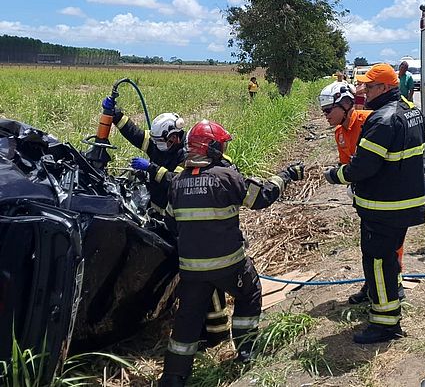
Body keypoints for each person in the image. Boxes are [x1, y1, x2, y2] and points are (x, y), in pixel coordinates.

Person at [159, 119, 305, 386]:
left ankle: (173, 377)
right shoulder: (227, 178)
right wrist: (285, 175)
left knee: (188, 319)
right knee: (249, 294)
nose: (225, 150)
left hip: (191, 271)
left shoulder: (177, 184)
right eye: (222, 146)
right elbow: (262, 197)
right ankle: (247, 351)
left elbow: (170, 223)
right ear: (212, 148)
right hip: (230, 266)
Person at [101, 97, 233, 349]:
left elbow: (181, 182)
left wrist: (152, 170)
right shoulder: (159, 146)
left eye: (163, 142)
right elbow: (137, 135)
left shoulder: (188, 156)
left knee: (194, 274)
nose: (157, 146)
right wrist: (116, 115)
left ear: (174, 137)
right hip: (159, 216)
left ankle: (215, 334)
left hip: (183, 222)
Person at [323, 63, 425, 344]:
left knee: (378, 262)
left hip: (384, 205)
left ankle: (384, 324)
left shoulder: (382, 119)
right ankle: (387, 307)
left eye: (369, 86)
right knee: (389, 259)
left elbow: (363, 167)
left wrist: (335, 175)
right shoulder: (411, 111)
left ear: (385, 87)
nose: (363, 91)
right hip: (404, 201)